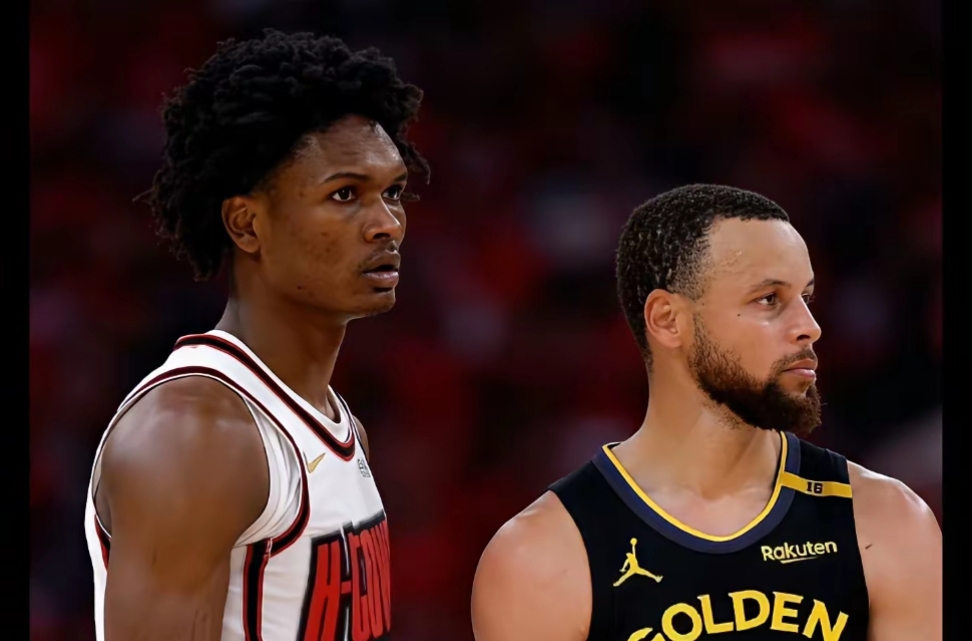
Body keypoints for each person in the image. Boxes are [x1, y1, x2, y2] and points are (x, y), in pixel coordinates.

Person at [471, 184, 941, 641]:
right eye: (769, 299)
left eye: (807, 298)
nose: (809, 326)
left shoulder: (887, 522)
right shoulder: (543, 557)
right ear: (668, 320)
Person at [83, 29, 429, 641]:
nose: (387, 224)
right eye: (345, 194)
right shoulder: (196, 437)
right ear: (246, 224)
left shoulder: (337, 424)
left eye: (393, 192)